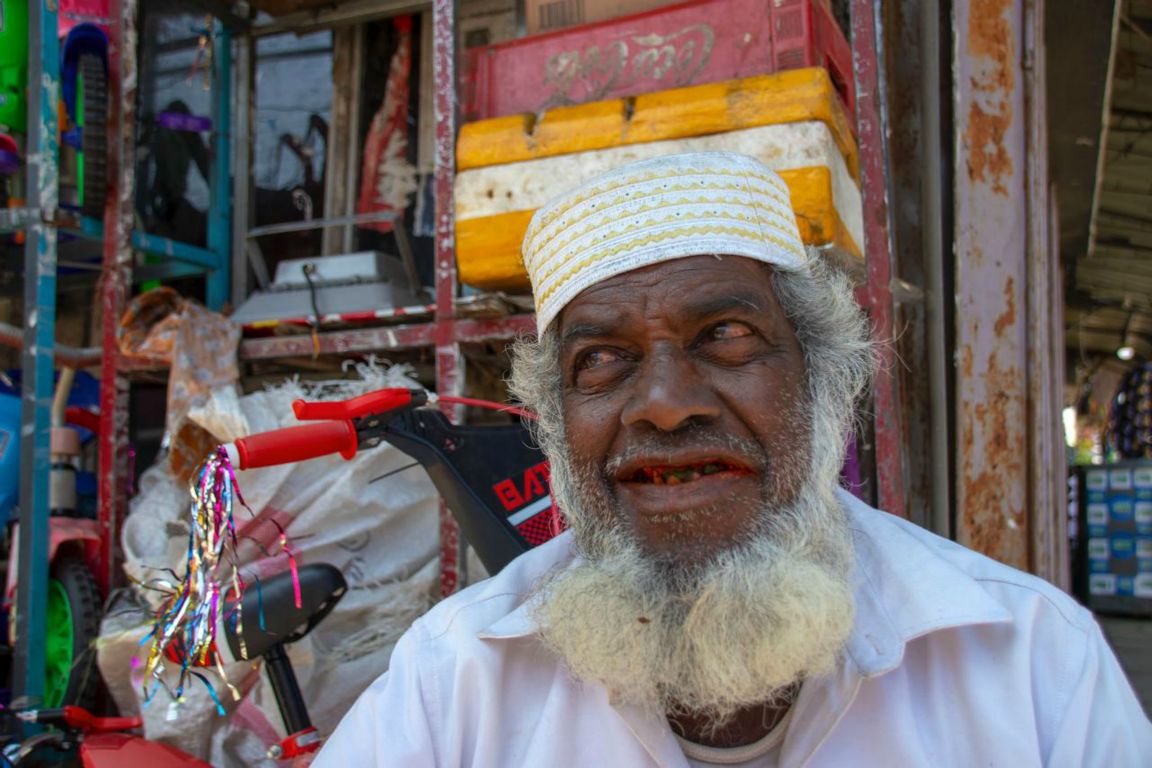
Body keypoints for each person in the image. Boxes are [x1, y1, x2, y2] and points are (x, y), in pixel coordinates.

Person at [314, 152, 1151, 766]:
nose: (666, 402)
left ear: (821, 378)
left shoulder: (1033, 664)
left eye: (726, 336)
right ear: (557, 423)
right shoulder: (454, 681)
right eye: (601, 359)